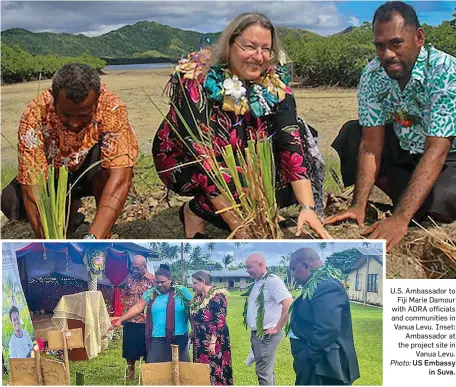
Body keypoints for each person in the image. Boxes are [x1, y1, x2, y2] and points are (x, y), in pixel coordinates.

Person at [152, 12, 329, 239]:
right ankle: (195, 211)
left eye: (266, 49)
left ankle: (243, 206)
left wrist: (307, 208)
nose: (258, 56)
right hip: (186, 161)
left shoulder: (274, 85)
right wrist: (237, 222)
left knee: (301, 144)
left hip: (241, 159)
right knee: (234, 193)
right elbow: (204, 158)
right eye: (249, 47)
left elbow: (290, 140)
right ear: (230, 45)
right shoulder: (197, 81)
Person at [326, 1, 456, 251]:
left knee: (441, 201)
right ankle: (395, 196)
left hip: (447, 156)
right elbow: (371, 143)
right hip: (404, 150)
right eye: (380, 45)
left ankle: (407, 202)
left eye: (396, 44)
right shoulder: (373, 74)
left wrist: (400, 218)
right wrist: (358, 205)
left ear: (418, 38)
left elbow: (436, 149)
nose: (387, 54)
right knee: (352, 134)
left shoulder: (445, 70)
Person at [1, 63, 139, 239]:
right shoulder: (35, 114)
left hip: (90, 174)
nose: (74, 123)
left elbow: (120, 176)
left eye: (83, 115)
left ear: (97, 100)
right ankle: (69, 212)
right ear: (54, 99)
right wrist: (49, 241)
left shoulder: (111, 107)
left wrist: (92, 239)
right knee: (11, 201)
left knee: (107, 163)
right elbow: (32, 186)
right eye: (66, 115)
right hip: (54, 177)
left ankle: (103, 231)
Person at [288, 248, 360, 386]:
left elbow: (327, 329)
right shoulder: (318, 284)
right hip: (319, 363)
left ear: (305, 266)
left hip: (324, 366)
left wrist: (307, 357)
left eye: (293, 269)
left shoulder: (326, 286)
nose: (292, 274)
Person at [112, 264, 192, 363]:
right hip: (157, 336)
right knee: (156, 369)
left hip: (179, 336)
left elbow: (191, 309)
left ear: (170, 280)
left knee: (180, 367)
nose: (159, 285)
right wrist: (120, 320)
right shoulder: (151, 293)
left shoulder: (181, 291)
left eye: (162, 282)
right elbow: (138, 307)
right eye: (157, 282)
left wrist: (193, 328)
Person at [244, 253, 293, 385]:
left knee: (263, 373)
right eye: (246, 267)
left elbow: (288, 303)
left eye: (249, 267)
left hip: (266, 335)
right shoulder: (259, 281)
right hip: (259, 334)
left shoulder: (272, 280)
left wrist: (278, 327)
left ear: (261, 265)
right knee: (266, 371)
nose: (247, 270)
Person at [190, 271, 233, 385]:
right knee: (201, 366)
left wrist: (213, 342)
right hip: (199, 337)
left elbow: (220, 320)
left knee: (214, 365)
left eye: (195, 283)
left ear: (203, 282)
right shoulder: (198, 297)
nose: (193, 286)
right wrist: (193, 331)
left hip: (214, 338)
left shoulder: (217, 296)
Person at [121, 255, 155, 379]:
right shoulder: (130, 279)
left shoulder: (153, 280)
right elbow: (126, 296)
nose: (134, 270)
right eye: (133, 268)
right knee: (129, 349)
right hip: (130, 320)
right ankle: (131, 374)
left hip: (146, 321)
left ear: (144, 266)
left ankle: (149, 375)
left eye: (137, 268)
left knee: (148, 350)